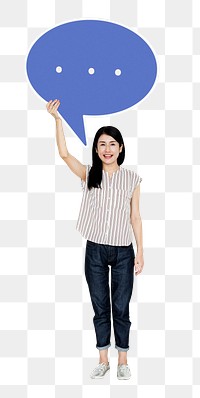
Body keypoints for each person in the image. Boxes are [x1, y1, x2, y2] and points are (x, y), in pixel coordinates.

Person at [46, 99, 144, 380]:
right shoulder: (89, 174)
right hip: (95, 250)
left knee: (121, 306)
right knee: (100, 305)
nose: (107, 149)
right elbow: (64, 154)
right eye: (102, 144)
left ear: (121, 148)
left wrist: (141, 252)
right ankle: (104, 359)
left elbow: (135, 217)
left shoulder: (132, 179)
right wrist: (57, 121)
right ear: (96, 149)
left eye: (112, 144)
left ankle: (123, 359)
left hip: (124, 251)